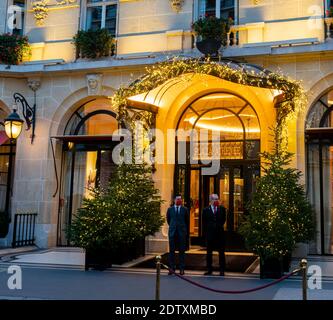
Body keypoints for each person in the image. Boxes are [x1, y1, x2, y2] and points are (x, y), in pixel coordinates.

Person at [202, 194, 226, 276]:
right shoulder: (205, 210)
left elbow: (223, 220)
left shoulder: (222, 209)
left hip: (220, 234)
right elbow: (204, 222)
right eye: (214, 199)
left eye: (217, 199)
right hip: (210, 234)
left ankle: (222, 270)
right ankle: (209, 269)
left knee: (221, 253)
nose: (216, 200)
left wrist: (218, 226)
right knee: (209, 253)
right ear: (210, 200)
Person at [166, 195, 189, 275]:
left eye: (180, 199)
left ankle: (181, 268)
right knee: (171, 251)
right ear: (174, 200)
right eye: (177, 199)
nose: (179, 200)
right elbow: (168, 220)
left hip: (181, 232)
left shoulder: (185, 209)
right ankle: (172, 268)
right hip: (172, 232)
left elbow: (187, 221)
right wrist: (173, 227)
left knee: (182, 251)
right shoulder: (170, 209)